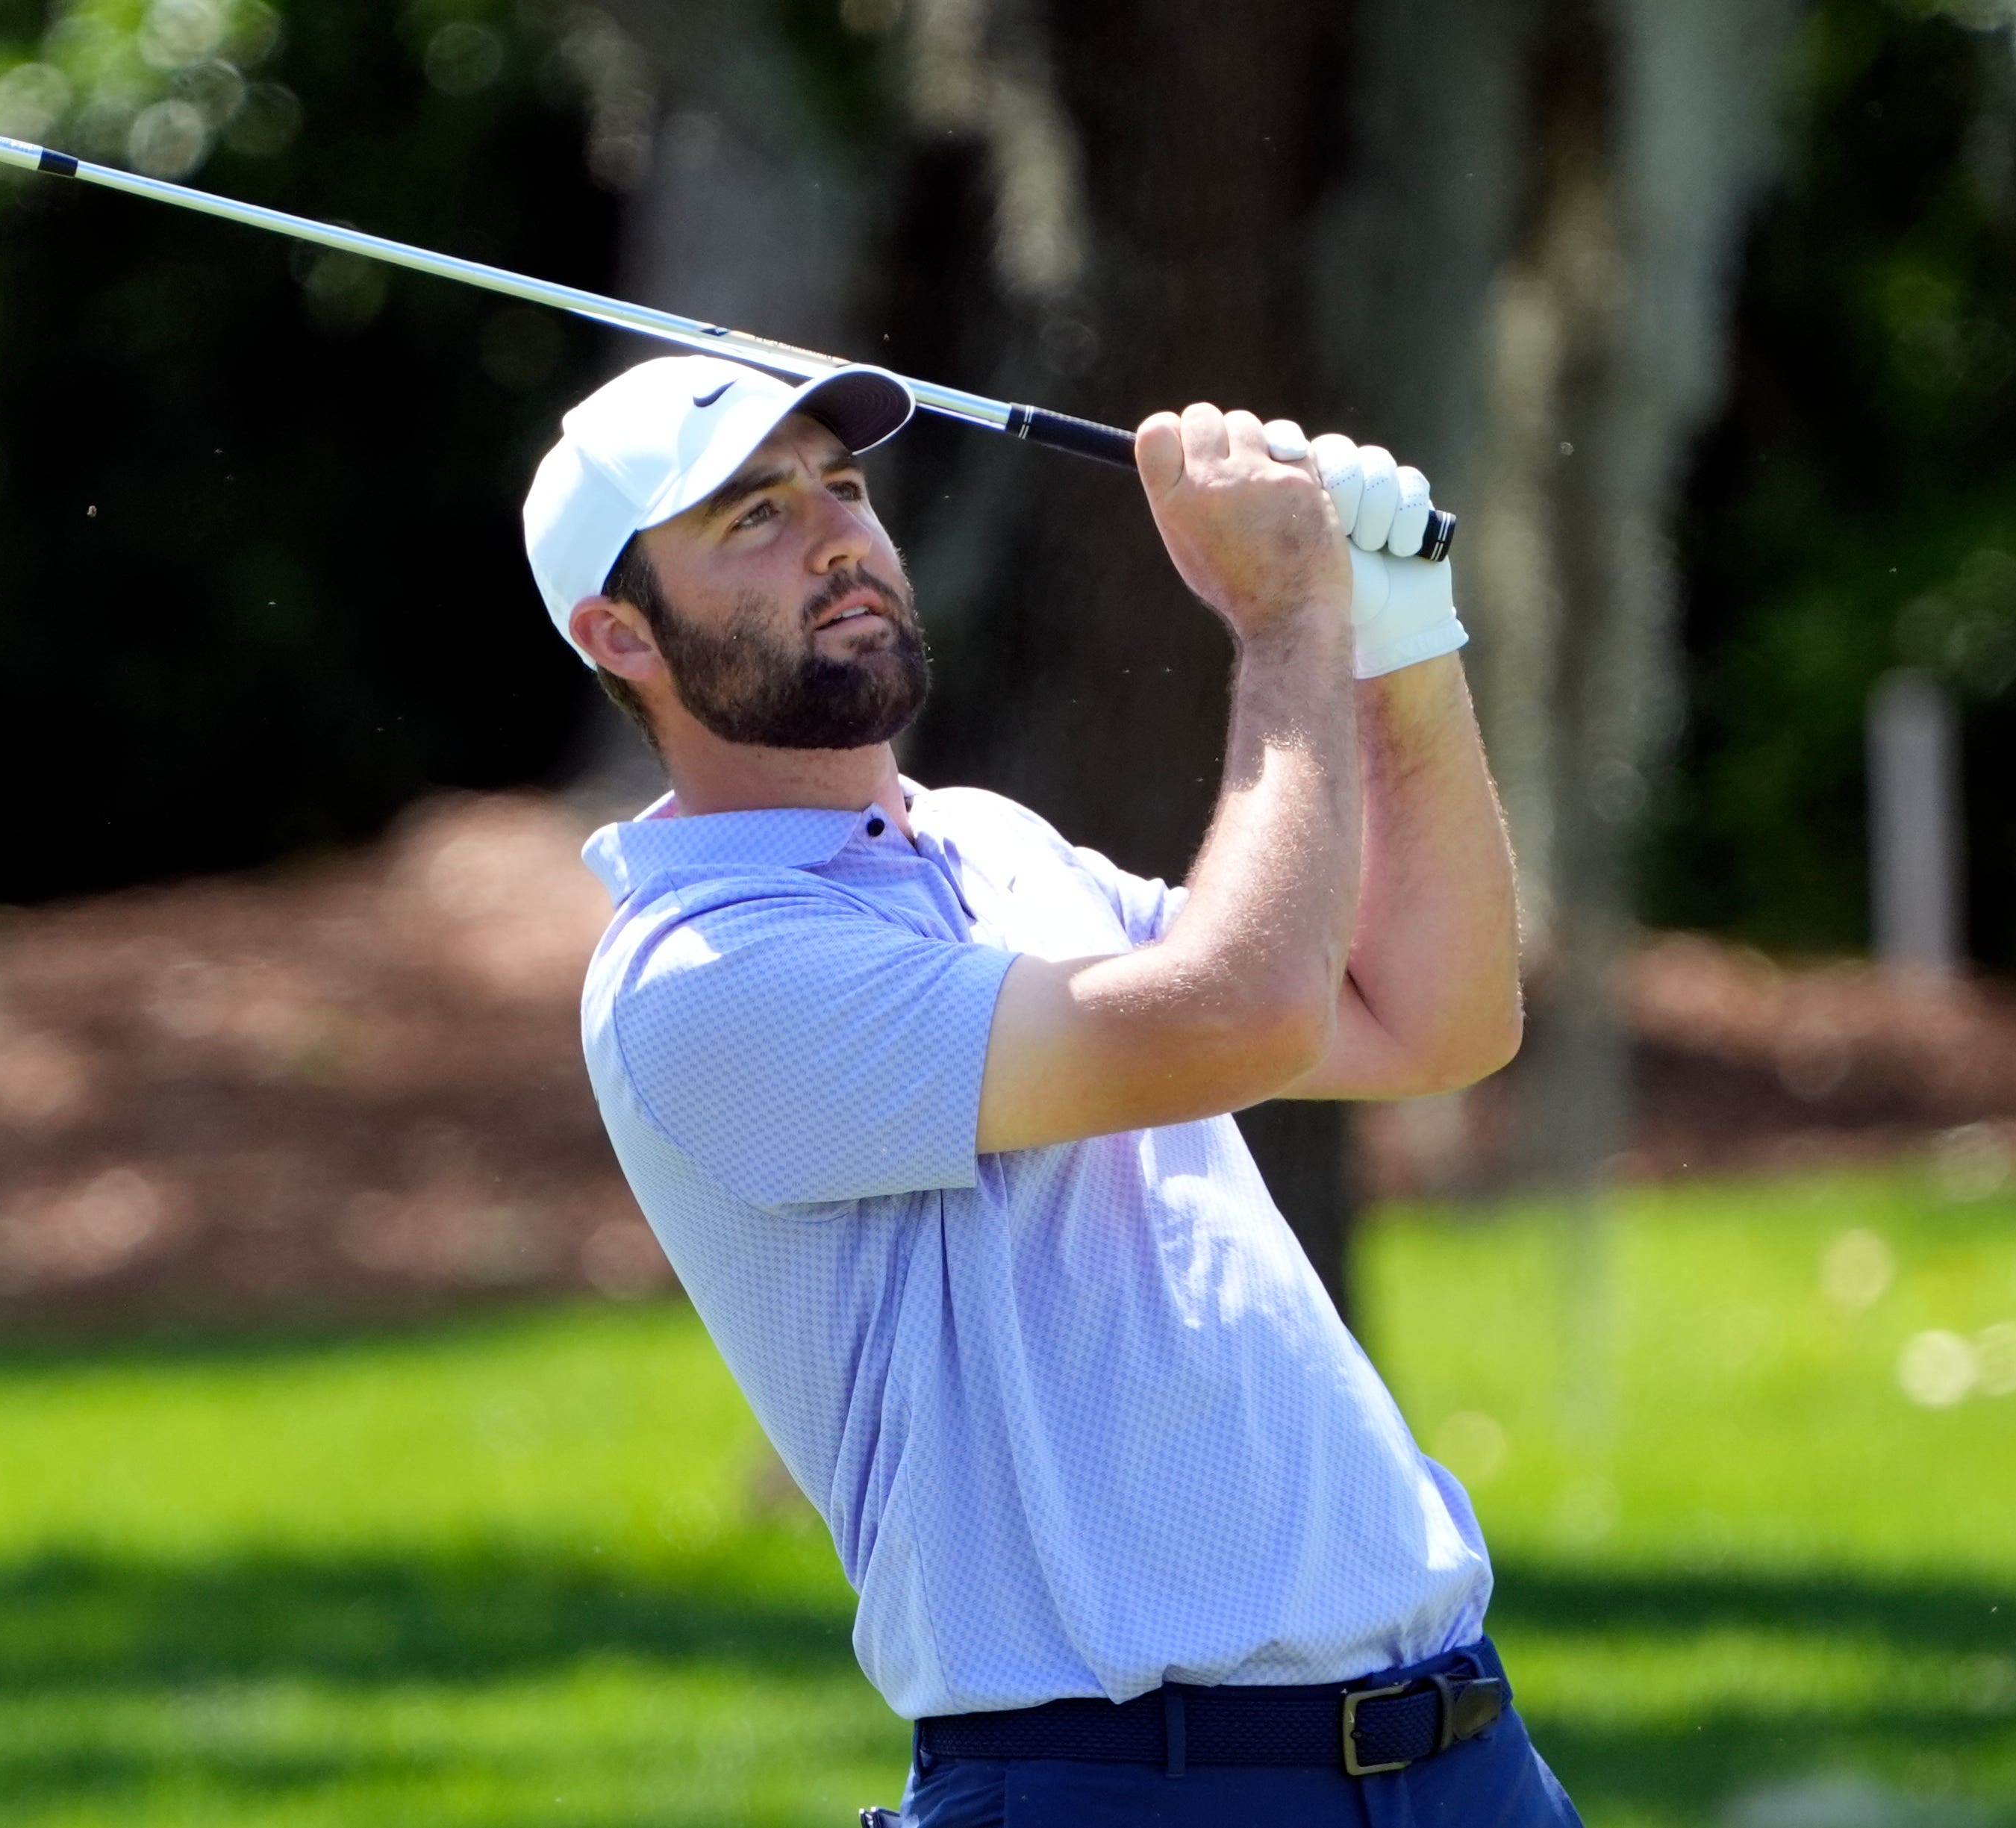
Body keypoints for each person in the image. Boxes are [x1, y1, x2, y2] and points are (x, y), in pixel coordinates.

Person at [523, 354, 1576, 1828]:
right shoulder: (701, 978)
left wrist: (1397, 636)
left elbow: (1429, 1020)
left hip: (1462, 1757)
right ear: (617, 632)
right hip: (1128, 1785)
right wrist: (1289, 621)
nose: (836, 535)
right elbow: (1245, 1014)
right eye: (749, 516)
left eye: (842, 486)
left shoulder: (994, 846)